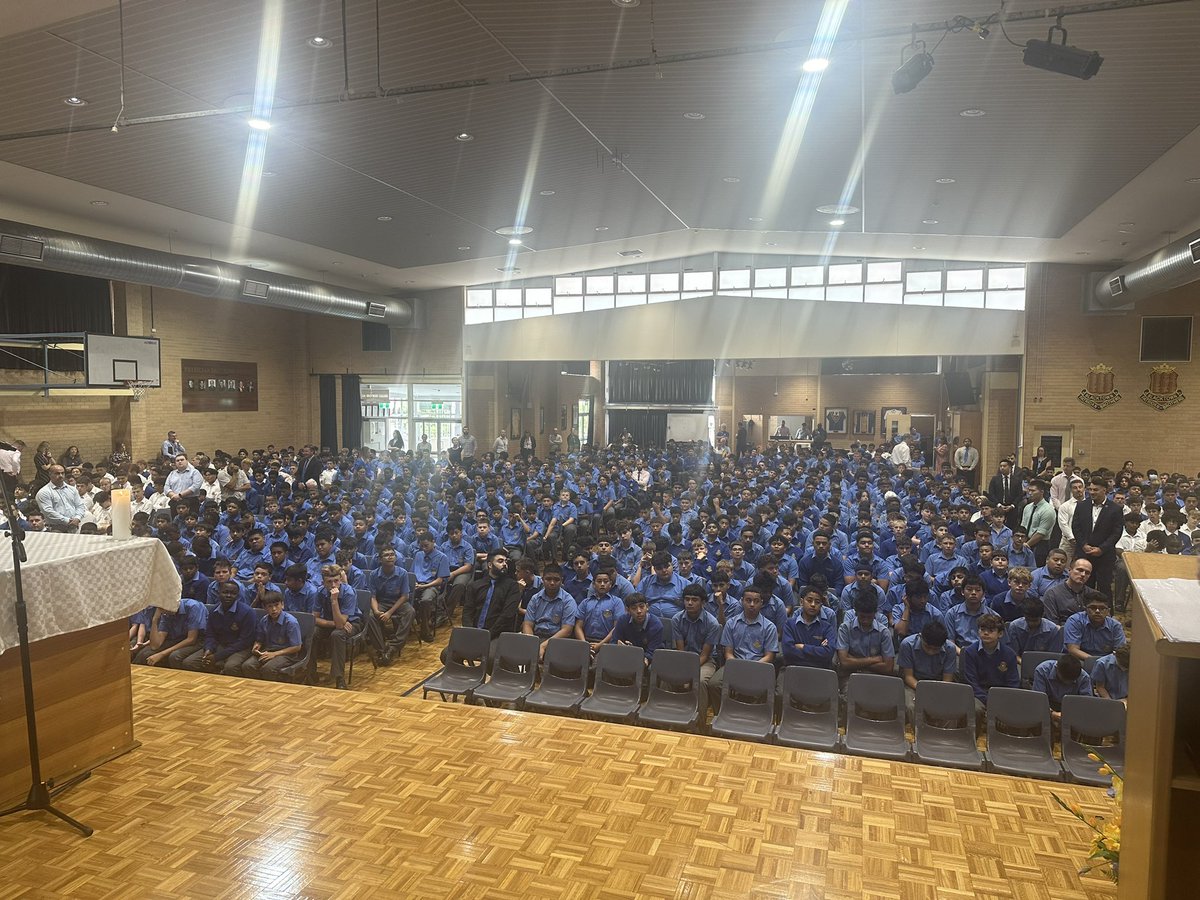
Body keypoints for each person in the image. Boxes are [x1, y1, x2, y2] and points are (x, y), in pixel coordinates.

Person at [708, 585, 779, 712]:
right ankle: (723, 713)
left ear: (761, 603)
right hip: (735, 664)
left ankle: (758, 718)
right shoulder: (731, 623)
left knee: (770, 689)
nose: (752, 604)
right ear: (742, 601)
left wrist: (752, 667)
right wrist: (738, 666)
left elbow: (769, 656)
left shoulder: (769, 627)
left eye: (756, 601)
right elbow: (728, 653)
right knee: (714, 684)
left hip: (759, 667)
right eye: (748, 600)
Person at [181, 580, 256, 674]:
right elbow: (210, 635)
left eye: (233, 593)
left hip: (241, 649)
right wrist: (209, 649)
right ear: (219, 593)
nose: (228, 595)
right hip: (220, 645)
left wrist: (217, 656)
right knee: (189, 662)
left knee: (230, 667)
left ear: (237, 595)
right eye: (225, 592)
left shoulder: (248, 612)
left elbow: (244, 642)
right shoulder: (214, 611)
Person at [897, 620, 958, 724]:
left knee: (950, 709)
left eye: (935, 649)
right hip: (913, 685)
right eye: (928, 647)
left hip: (939, 686)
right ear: (921, 637)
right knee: (912, 707)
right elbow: (908, 676)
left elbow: (947, 681)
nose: (931, 652)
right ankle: (918, 736)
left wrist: (935, 693)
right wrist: (924, 691)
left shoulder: (950, 648)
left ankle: (943, 736)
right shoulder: (907, 644)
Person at [1071, 477, 1124, 594]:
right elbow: (1076, 527)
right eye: (1090, 489)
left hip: (1104, 556)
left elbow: (1116, 532)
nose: (1092, 492)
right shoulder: (1081, 506)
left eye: (1096, 490)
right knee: (1083, 587)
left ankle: (1107, 612)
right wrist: (1084, 544)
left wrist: (1102, 548)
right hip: (1084, 553)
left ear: (1104, 490)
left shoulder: (1115, 509)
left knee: (1104, 588)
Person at [237, 590, 304, 680]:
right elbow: (260, 639)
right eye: (270, 606)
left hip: (287, 654)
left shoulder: (291, 622)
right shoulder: (264, 620)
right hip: (268, 651)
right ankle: (258, 688)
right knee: (247, 666)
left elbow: (297, 647)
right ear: (264, 608)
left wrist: (275, 654)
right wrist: (256, 646)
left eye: (276, 605)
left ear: (282, 605)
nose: (274, 609)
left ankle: (270, 690)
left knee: (268, 669)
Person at [961, 613, 1019, 713]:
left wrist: (1001, 700)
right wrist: (988, 700)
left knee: (1015, 709)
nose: (986, 633)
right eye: (982, 630)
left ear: (1000, 634)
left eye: (991, 631)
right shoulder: (970, 652)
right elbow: (971, 682)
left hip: (1002, 695)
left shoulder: (1009, 654)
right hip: (978, 695)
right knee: (975, 709)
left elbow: (1013, 683)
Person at [134, 596, 207, 667]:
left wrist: (162, 654)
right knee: (144, 654)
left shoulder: (193, 606)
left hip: (198, 640)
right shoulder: (166, 612)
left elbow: (191, 639)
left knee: (174, 656)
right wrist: (155, 620)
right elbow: (155, 645)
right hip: (177, 639)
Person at [522, 566, 578, 657]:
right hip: (535, 636)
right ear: (543, 579)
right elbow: (528, 624)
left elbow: (567, 630)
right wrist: (532, 644)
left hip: (557, 640)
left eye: (556, 580)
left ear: (562, 581)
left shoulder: (568, 601)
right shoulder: (535, 598)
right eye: (548, 579)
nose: (552, 583)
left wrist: (543, 646)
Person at [369, 547, 412, 663]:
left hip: (399, 602)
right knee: (370, 616)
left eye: (392, 554)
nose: (390, 557)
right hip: (382, 602)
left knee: (410, 612)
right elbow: (372, 596)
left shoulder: (402, 573)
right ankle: (382, 649)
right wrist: (376, 610)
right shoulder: (374, 574)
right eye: (386, 555)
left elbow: (405, 596)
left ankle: (393, 647)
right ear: (380, 559)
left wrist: (389, 613)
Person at [1041, 558, 1106, 626]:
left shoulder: (1095, 595)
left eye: (1087, 573)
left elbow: (1104, 620)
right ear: (1069, 570)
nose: (1083, 574)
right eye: (1080, 570)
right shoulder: (1052, 594)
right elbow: (1052, 624)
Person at [1032, 653, 1092, 721]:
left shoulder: (1084, 677)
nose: (1067, 683)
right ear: (1057, 669)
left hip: (1072, 707)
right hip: (1048, 704)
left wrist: (1072, 714)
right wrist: (1051, 713)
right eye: (1064, 680)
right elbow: (1038, 700)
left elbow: (1086, 704)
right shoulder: (1042, 670)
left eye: (1071, 681)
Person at [1063, 597, 1126, 662]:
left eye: (1102, 608)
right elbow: (1073, 650)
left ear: (1108, 611)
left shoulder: (1115, 626)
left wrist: (1102, 663)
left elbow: (1120, 653)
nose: (1097, 611)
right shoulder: (1075, 621)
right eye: (1093, 608)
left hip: (1106, 662)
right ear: (1086, 609)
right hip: (1079, 660)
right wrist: (1095, 662)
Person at [611, 591, 663, 667]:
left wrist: (635, 653)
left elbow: (652, 653)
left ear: (647, 607)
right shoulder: (622, 620)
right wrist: (621, 647)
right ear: (628, 610)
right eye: (634, 608)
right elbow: (614, 642)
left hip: (649, 659)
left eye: (642, 607)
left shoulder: (656, 625)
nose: (639, 611)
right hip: (624, 656)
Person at [36, 464, 87, 532]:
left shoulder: (72, 489)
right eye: (57, 473)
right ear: (50, 474)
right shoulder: (44, 492)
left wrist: (77, 518)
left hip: (75, 526)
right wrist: (67, 521)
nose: (60, 475)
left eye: (62, 473)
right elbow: (48, 512)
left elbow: (80, 506)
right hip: (56, 528)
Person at [1019, 479, 1055, 567]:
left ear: (1041, 492)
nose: (1030, 493)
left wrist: (1027, 544)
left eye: (1033, 491)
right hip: (1025, 541)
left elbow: (1041, 533)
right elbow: (1023, 527)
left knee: (1035, 569)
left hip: (1040, 545)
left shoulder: (1048, 510)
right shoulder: (1027, 507)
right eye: (1029, 490)